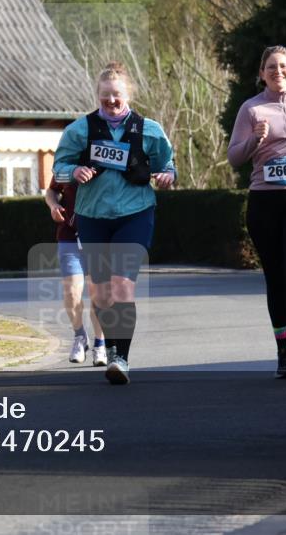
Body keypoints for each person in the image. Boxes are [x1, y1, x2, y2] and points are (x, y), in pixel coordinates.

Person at [52, 61, 176, 385]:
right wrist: (73, 172)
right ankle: (111, 344)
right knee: (102, 293)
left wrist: (167, 176)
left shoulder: (149, 130)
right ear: (97, 95)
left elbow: (167, 165)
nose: (111, 101)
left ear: (127, 95)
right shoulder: (79, 131)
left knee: (122, 286)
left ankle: (121, 357)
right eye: (105, 96)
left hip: (135, 214)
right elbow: (59, 167)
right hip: (93, 216)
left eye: (116, 95)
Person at [227, 45, 286, 378]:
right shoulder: (251, 109)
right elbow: (235, 157)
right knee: (276, 277)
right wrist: (255, 140)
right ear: (262, 73)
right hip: (264, 201)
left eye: (283, 66)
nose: (277, 71)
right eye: (270, 66)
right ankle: (282, 350)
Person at [44, 176, 107, 366]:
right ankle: (80, 336)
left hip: (100, 235)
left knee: (99, 294)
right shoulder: (67, 162)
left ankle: (100, 344)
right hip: (70, 235)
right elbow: (52, 190)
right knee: (71, 292)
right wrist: (53, 205)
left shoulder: (105, 158)